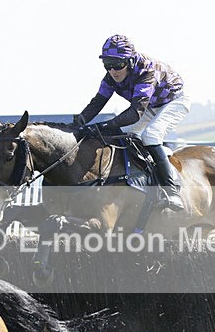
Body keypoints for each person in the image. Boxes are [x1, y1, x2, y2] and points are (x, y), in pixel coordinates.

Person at [74, 34, 190, 211]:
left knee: (150, 135)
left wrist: (104, 125)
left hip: (174, 101)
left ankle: (171, 190)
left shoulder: (146, 71)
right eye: (108, 65)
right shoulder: (110, 77)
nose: (113, 71)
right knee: (120, 133)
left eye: (118, 65)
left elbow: (136, 112)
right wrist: (80, 121)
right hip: (150, 105)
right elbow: (98, 101)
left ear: (130, 61)